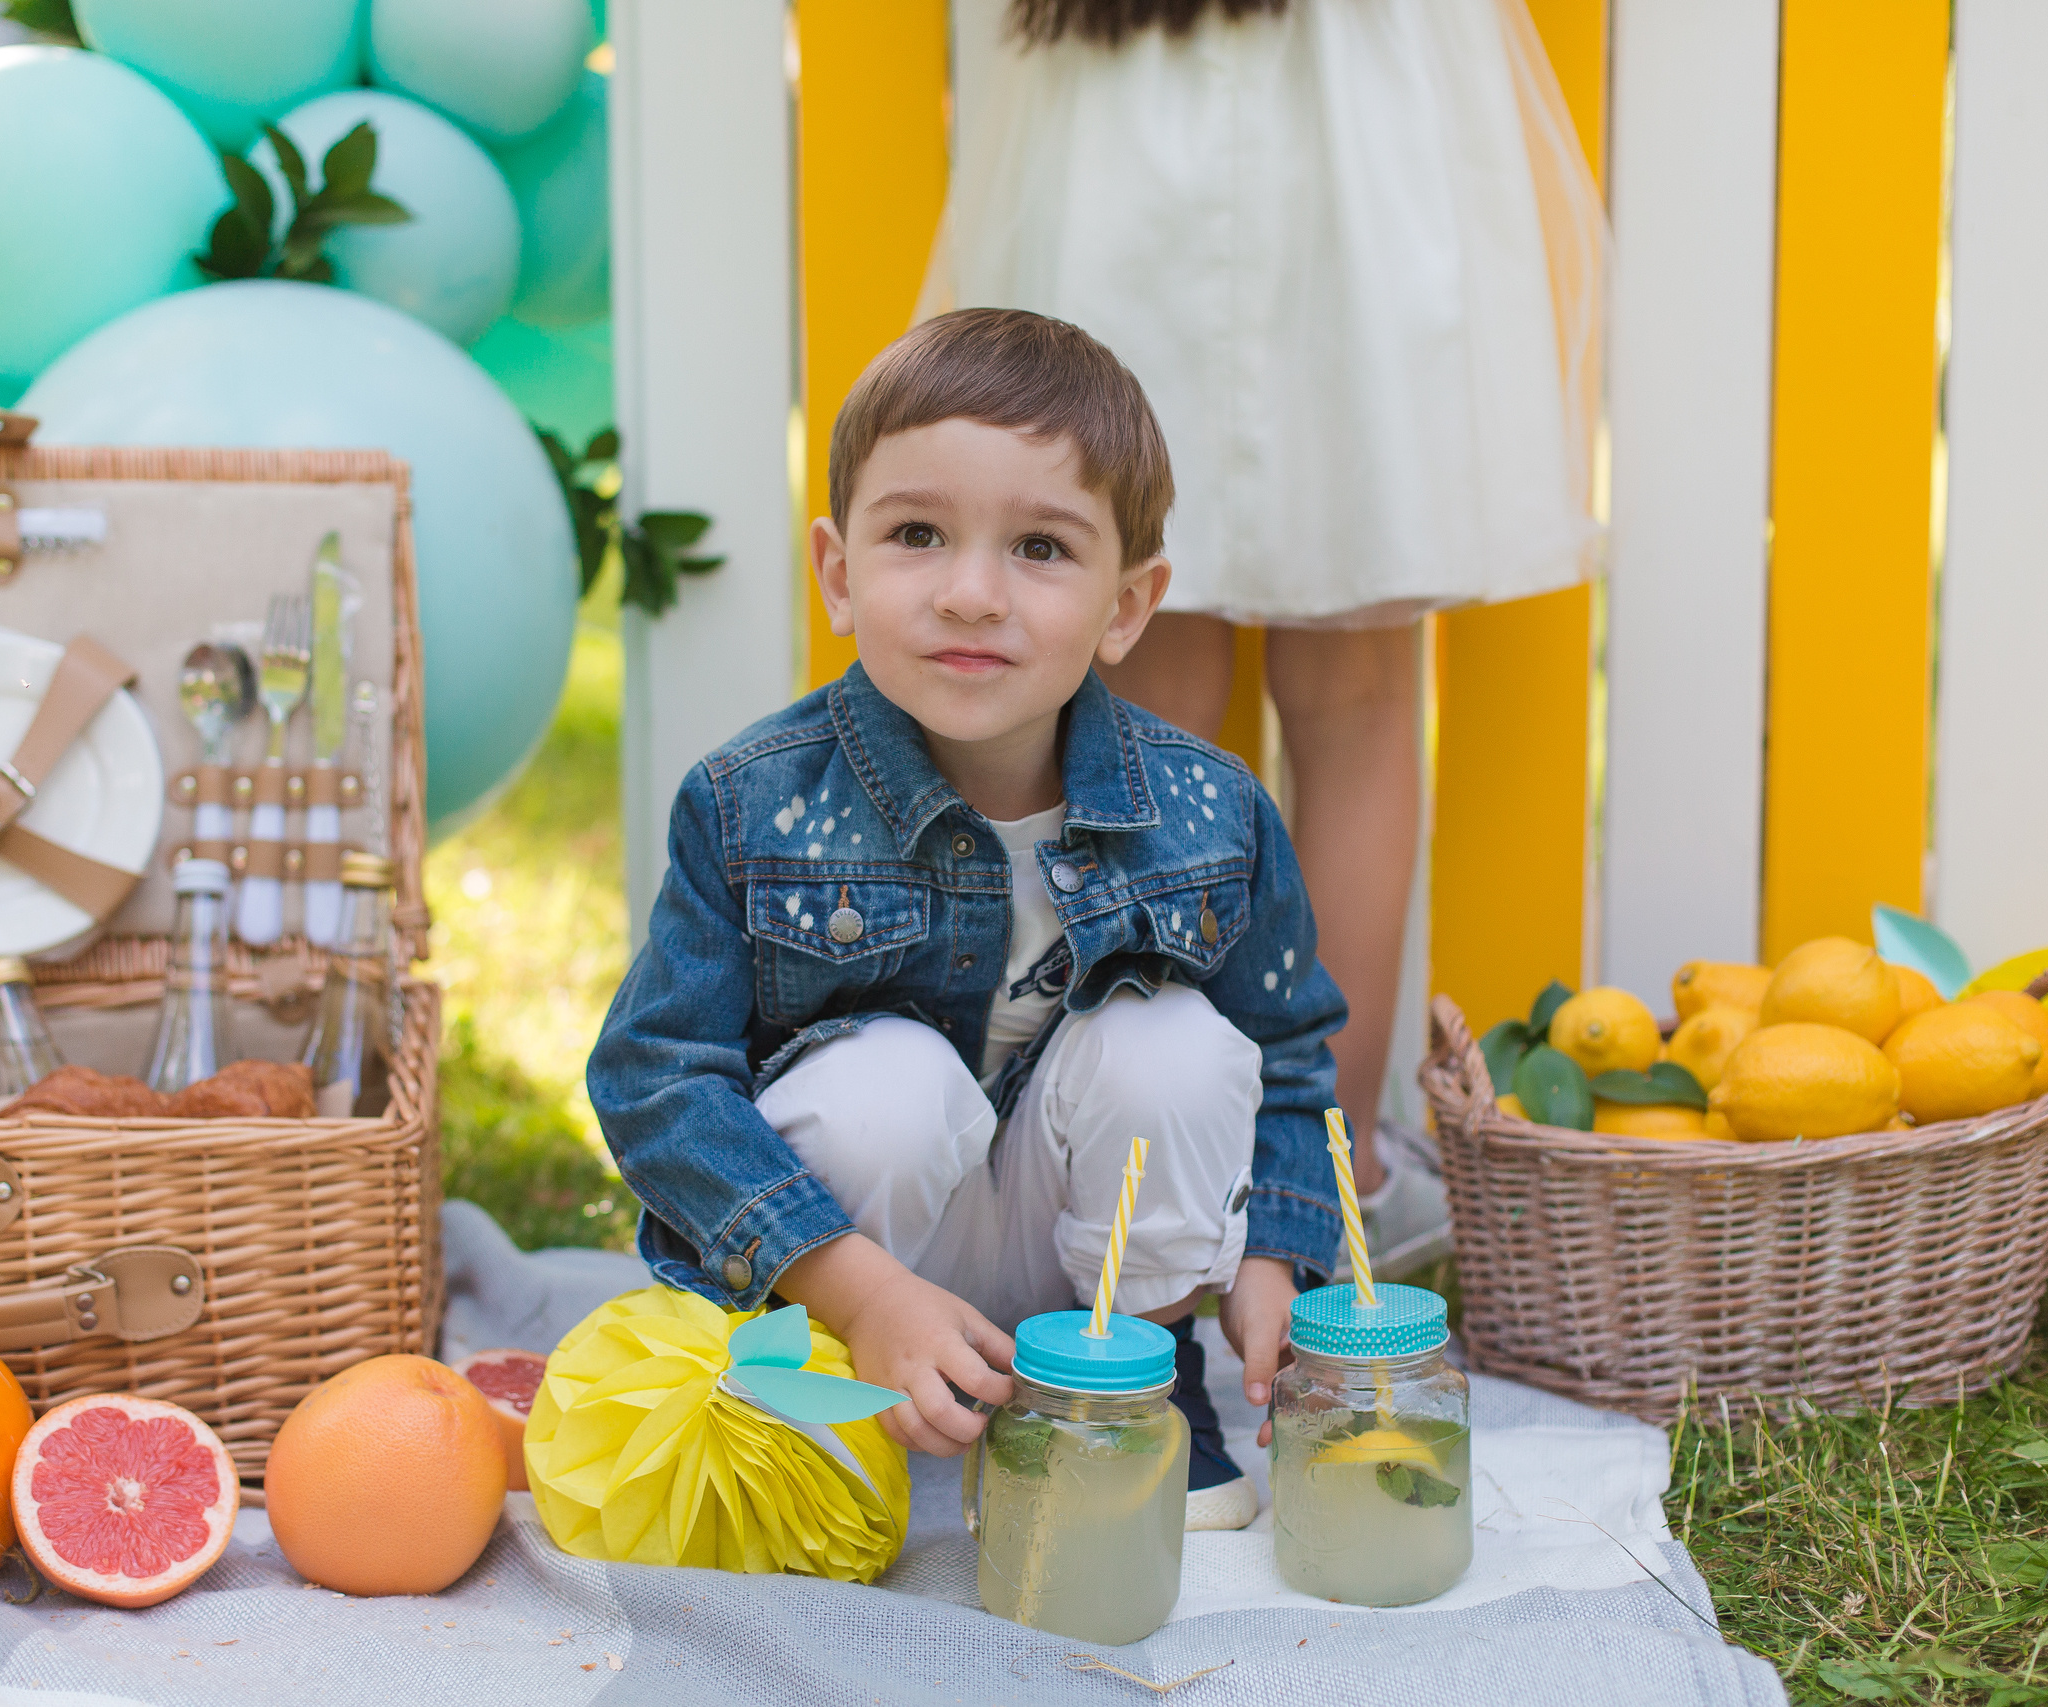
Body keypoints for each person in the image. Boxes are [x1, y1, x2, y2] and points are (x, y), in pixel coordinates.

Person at [589, 309, 1346, 1532]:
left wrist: (1273, 1259)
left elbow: (1289, 1055)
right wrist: (863, 1294)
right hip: (861, 1255)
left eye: (1041, 548)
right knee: (880, 1085)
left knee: (1179, 1045)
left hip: (1087, 1253)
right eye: (918, 535)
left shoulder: (1212, 813)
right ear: (839, 572)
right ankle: (836, 1400)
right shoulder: (751, 802)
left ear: (1127, 604)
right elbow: (654, 1077)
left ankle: (1128, 1397)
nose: (972, 593)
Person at [929, 0, 1605, 1250]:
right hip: (1357, 97)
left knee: (1137, 675)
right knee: (1346, 703)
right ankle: (1325, 1184)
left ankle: (1140, 1166)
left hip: (1131, 77)